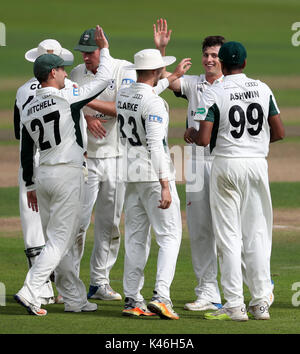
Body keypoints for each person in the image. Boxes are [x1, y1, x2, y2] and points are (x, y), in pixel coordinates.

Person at [14, 26, 112, 316]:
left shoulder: (30, 105)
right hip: (67, 173)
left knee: (61, 240)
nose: (66, 73)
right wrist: (104, 48)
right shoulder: (68, 96)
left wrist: (30, 186)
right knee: (59, 241)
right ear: (52, 73)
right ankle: (31, 289)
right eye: (62, 70)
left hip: (42, 177)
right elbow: (105, 78)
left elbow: (24, 150)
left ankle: (74, 299)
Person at [186, 41, 284, 321]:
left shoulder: (215, 91)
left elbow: (204, 139)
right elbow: (278, 132)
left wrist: (192, 135)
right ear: (244, 62)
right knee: (257, 235)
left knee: (228, 237)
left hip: (225, 165)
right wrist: (255, 143)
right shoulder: (263, 88)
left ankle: (234, 305)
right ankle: (261, 303)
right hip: (256, 165)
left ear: (223, 65)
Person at [153, 18, 224, 311]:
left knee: (229, 228)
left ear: (224, 59)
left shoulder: (230, 85)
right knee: (199, 228)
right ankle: (208, 292)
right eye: (206, 54)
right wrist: (161, 50)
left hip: (222, 161)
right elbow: (159, 78)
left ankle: (259, 285)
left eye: (215, 55)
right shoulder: (193, 83)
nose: (209, 59)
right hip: (195, 162)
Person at [116, 48, 191, 320]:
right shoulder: (155, 104)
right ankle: (161, 296)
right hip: (152, 174)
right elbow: (155, 146)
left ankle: (132, 299)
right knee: (170, 236)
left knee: (136, 238)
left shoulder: (125, 93)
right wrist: (165, 184)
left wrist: (173, 75)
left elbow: (150, 90)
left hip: (130, 175)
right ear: (158, 71)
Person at [70, 28, 138, 301]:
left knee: (109, 225)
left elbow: (126, 106)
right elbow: (66, 104)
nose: (86, 58)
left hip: (116, 157)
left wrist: (86, 103)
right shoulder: (76, 73)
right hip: (85, 159)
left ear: (102, 50)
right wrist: (87, 118)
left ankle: (99, 282)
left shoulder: (123, 69)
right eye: (83, 53)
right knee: (77, 223)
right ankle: (69, 283)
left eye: (91, 52)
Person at [14, 39, 75, 306]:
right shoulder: (68, 88)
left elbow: (20, 133)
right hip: (61, 162)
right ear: (55, 69)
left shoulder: (21, 92)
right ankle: (58, 290)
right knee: (61, 232)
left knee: (34, 229)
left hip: (31, 163)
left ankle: (43, 291)